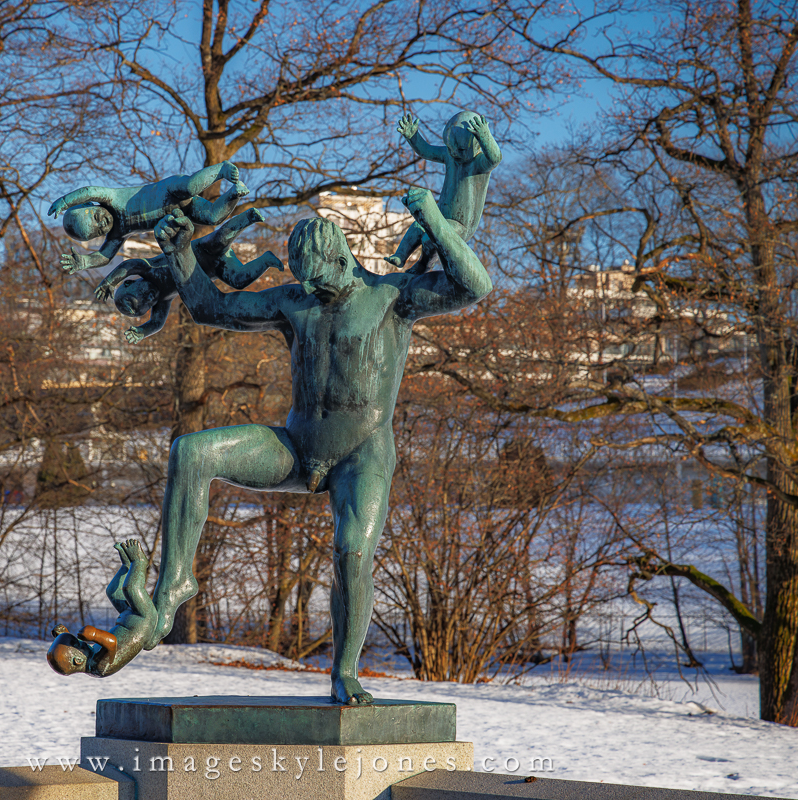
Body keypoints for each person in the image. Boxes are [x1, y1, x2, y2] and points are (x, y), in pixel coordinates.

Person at [138, 187, 491, 705]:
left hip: (361, 455)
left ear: (341, 258)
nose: (310, 289)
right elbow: (213, 308)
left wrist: (434, 220)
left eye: (319, 279)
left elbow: (475, 285)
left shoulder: (394, 298)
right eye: (303, 280)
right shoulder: (294, 300)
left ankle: (344, 671)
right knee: (191, 452)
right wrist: (181, 252)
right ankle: (173, 587)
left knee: (351, 553)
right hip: (297, 448)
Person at [93, 207, 283, 343]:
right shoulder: (163, 300)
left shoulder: (148, 269)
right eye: (147, 303)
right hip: (214, 269)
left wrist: (109, 282)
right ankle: (266, 260)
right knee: (239, 280)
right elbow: (157, 323)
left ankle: (247, 217)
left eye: (141, 296)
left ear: (130, 283)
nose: (149, 298)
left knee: (221, 239)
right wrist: (143, 331)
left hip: (201, 251)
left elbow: (129, 264)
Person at [47, 162, 249, 273]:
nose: (104, 223)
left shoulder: (111, 198)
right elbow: (105, 256)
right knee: (213, 217)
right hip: (182, 210)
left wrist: (65, 201)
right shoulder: (118, 233)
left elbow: (90, 190)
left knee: (190, 186)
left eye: (97, 217)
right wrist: (85, 262)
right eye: (99, 230)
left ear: (93, 205)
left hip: (169, 191)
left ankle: (221, 169)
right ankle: (235, 193)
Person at [384, 111, 501, 273]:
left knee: (429, 239)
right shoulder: (450, 156)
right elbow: (426, 151)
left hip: (460, 224)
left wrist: (485, 136)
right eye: (450, 148)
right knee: (418, 226)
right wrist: (413, 137)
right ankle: (400, 256)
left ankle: (424, 264)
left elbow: (495, 158)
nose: (455, 153)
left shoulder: (479, 163)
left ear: (477, 145)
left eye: (460, 149)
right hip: (441, 214)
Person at [46, 539, 156, 678]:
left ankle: (126, 566)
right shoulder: (98, 667)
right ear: (78, 660)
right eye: (76, 644)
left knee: (112, 592)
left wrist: (62, 635)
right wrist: (95, 634)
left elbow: (77, 646)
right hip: (142, 621)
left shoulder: (86, 657)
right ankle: (139, 562)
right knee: (130, 589)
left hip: (127, 619)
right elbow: (111, 643)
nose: (80, 642)